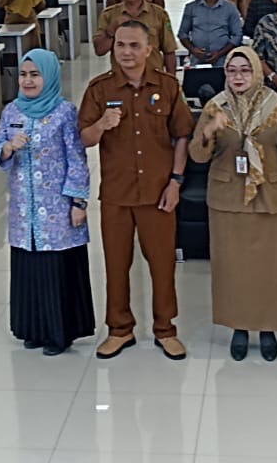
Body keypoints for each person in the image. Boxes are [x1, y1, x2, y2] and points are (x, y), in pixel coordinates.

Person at [79, 21, 193, 360]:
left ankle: (165, 329)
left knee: (162, 264)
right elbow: (83, 137)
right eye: (120, 46)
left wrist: (175, 181)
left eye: (133, 46)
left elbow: (182, 135)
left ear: (149, 50)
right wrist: (101, 125)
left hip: (158, 192)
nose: (126, 53)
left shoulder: (169, 87)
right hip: (116, 193)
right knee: (116, 264)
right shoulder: (100, 89)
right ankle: (119, 329)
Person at [187, 47, 277, 363]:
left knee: (266, 267)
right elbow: (197, 156)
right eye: (232, 71)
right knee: (232, 268)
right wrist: (208, 130)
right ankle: (238, 327)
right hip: (227, 198)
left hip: (268, 195)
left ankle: (266, 329)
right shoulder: (215, 107)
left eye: (245, 70)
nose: (238, 77)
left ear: (256, 72)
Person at [0, 49, 94, 356]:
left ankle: (59, 333)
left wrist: (78, 202)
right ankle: (31, 329)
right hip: (24, 209)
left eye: (35, 75)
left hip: (57, 208)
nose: (28, 80)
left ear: (48, 77)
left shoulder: (64, 112)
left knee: (55, 268)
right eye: (23, 74)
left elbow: (77, 158)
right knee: (29, 268)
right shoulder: (12, 111)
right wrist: (8, 146)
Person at [94, 0, 178, 72]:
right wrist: (111, 30)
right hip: (121, 80)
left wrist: (171, 81)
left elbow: (169, 51)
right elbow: (99, 50)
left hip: (153, 78)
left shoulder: (159, 14)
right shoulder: (109, 14)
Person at [177, 0, 244, 65]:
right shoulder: (191, 8)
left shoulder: (230, 8)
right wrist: (193, 49)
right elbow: (182, 33)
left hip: (223, 59)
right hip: (197, 58)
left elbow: (237, 35)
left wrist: (220, 53)